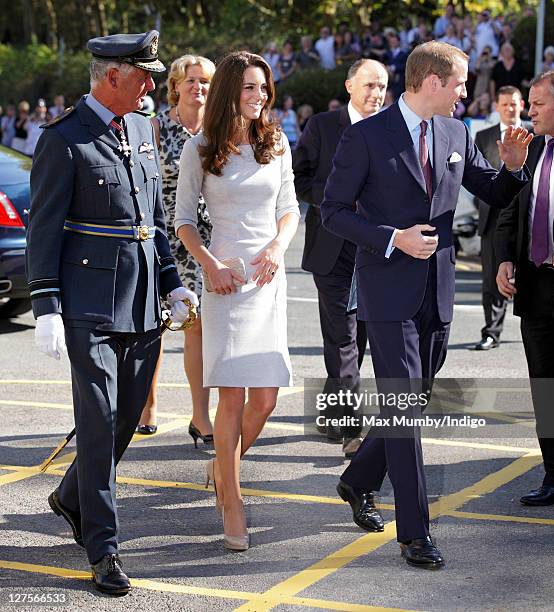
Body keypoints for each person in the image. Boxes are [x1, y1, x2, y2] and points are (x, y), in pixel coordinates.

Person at [321, 41, 531, 569]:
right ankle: (415, 532)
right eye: (460, 83)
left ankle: (357, 478)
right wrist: (393, 238)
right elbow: (333, 213)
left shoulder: (455, 132)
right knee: (406, 410)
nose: (467, 92)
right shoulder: (365, 135)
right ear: (431, 81)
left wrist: (511, 168)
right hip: (387, 291)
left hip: (436, 293)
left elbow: (494, 192)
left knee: (412, 400)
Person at [26, 31, 196, 594]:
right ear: (112, 76)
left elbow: (153, 216)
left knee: (125, 418)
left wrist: (171, 283)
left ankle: (71, 496)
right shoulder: (64, 138)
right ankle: (103, 547)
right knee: (98, 422)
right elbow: (44, 228)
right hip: (89, 305)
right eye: (145, 74)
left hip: (144, 300)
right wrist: (46, 304)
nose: (153, 84)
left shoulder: (143, 128)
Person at [175, 51, 300, 551]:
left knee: (265, 398)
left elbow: (289, 210)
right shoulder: (201, 147)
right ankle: (233, 499)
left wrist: (275, 248)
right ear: (230, 90)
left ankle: (222, 467)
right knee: (231, 398)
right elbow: (183, 220)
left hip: (268, 279)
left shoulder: (276, 141)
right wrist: (211, 266)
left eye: (263, 87)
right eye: (249, 87)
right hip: (224, 282)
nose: (259, 96)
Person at [293, 59, 388, 460]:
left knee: (361, 336)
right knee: (343, 336)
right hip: (333, 247)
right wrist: (336, 200)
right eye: (369, 85)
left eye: (382, 86)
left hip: (377, 250)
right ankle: (351, 426)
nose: (376, 93)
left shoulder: (391, 128)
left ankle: (334, 412)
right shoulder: (321, 126)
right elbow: (299, 179)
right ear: (350, 85)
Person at [136, 54, 216, 443]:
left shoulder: (219, 131)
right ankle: (147, 404)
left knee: (195, 325)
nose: (198, 87)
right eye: (191, 80)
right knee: (154, 327)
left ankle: (200, 417)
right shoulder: (153, 129)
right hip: (161, 237)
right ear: (176, 86)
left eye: (205, 81)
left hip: (202, 241)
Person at [495, 70, 554, 507]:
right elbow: (510, 210)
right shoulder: (529, 151)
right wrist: (503, 258)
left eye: (537, 103)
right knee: (545, 390)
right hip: (536, 289)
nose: (528, 111)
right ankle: (553, 474)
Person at [473, 86, 525, 350]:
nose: (509, 109)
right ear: (497, 107)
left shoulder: (536, 134)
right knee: (491, 279)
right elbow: (475, 178)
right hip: (493, 217)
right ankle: (492, 332)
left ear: (522, 104)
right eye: (504, 104)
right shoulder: (483, 137)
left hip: (528, 216)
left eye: (513, 104)